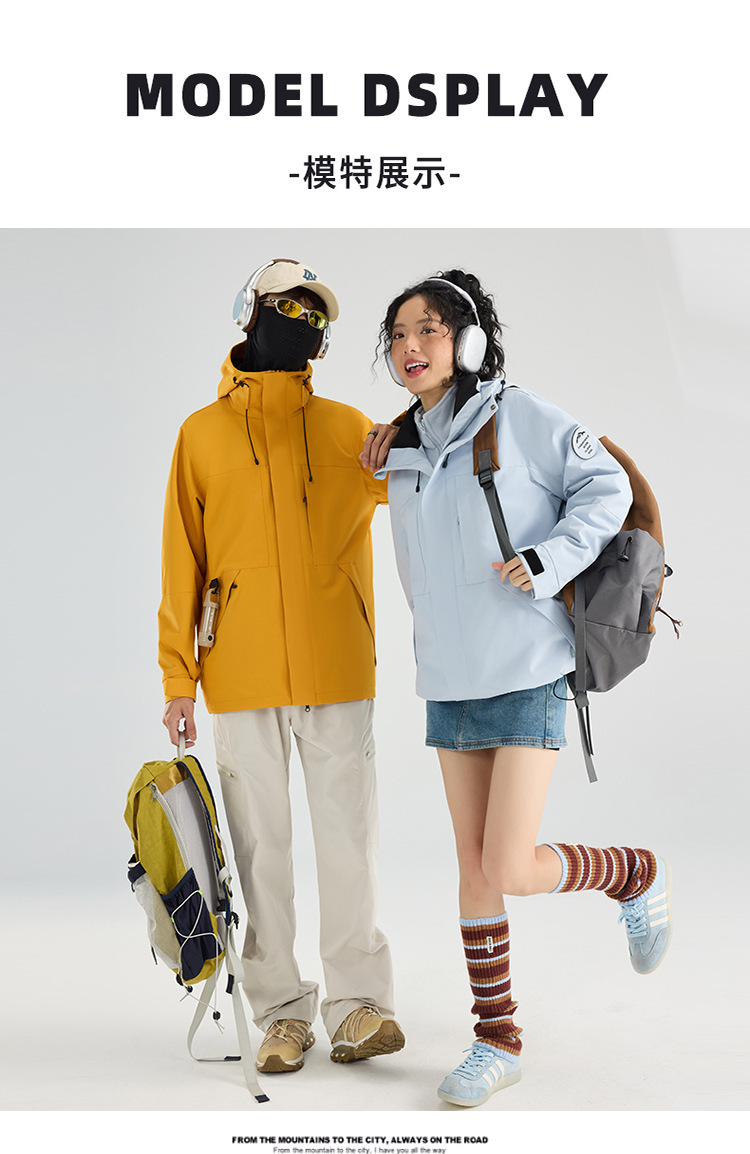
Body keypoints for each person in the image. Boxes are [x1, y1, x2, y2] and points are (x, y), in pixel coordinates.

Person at [360, 270, 672, 1108]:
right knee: (475, 871)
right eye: (398, 335)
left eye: (428, 330)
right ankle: (497, 1042)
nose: (410, 347)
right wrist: (389, 441)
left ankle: (632, 872)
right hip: (447, 677)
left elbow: (606, 487)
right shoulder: (404, 447)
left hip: (528, 667)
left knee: (508, 862)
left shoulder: (521, 416)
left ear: (466, 340)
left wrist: (549, 560)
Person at [159, 258, 404, 1077]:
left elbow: (422, 495)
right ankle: (282, 1014)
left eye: (316, 316)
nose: (303, 322)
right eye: (288, 307)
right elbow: (182, 561)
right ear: (251, 313)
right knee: (261, 852)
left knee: (349, 843)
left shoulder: (348, 428)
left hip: (338, 666)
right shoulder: (200, 435)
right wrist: (178, 679)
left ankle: (360, 1006)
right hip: (242, 670)